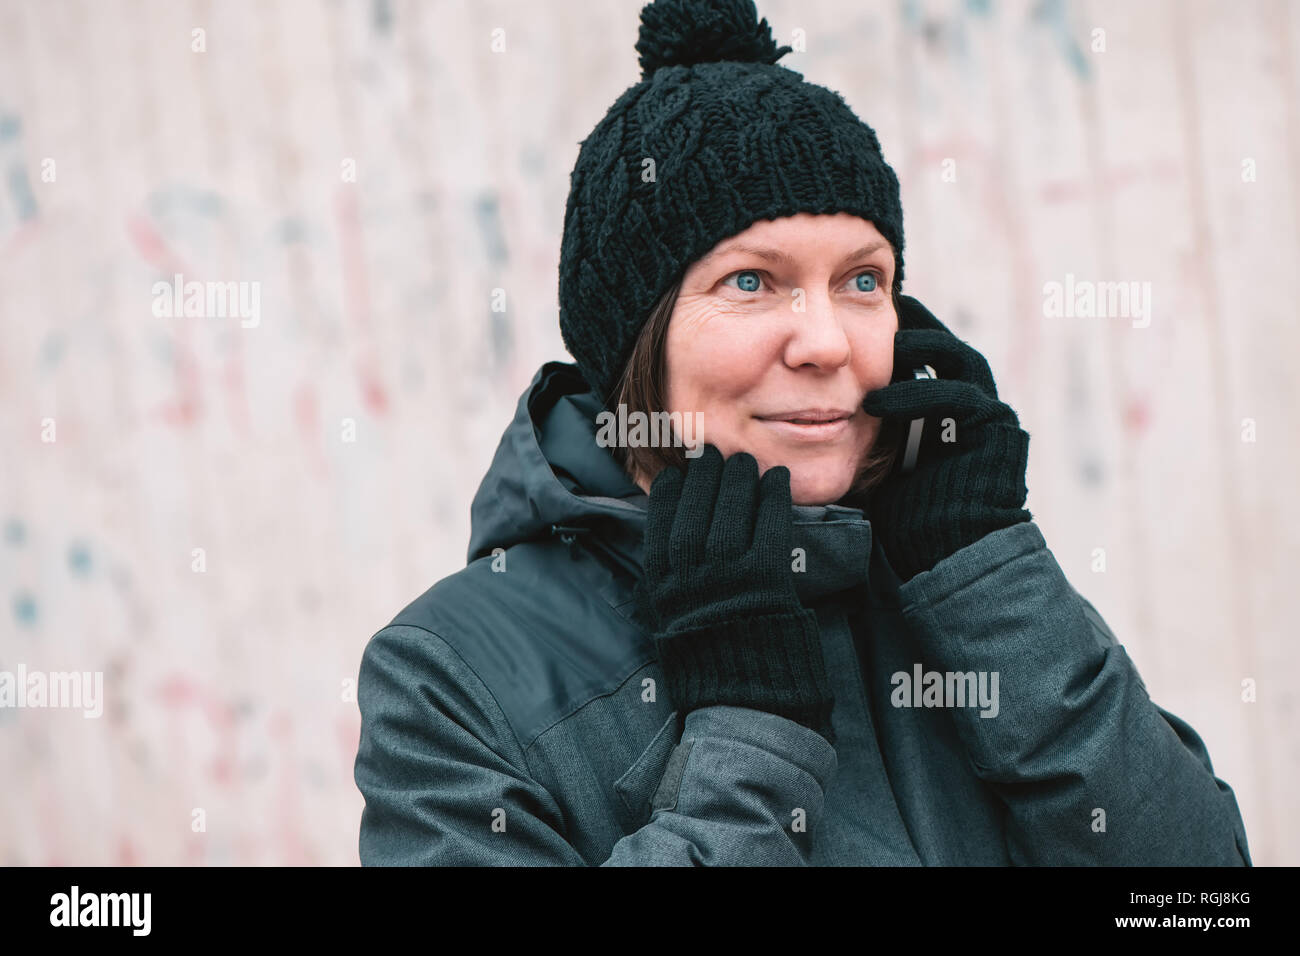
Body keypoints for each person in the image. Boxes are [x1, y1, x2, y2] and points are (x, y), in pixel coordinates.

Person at [352, 0, 1251, 866]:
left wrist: (991, 579)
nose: (827, 342)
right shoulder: (449, 680)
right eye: (750, 282)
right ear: (635, 338)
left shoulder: (947, 580)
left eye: (863, 282)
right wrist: (748, 744)